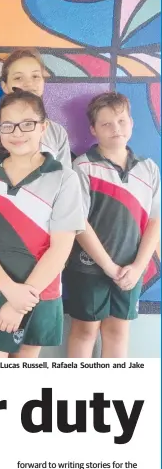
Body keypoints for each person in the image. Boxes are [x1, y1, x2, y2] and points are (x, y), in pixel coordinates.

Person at [0, 90, 85, 358]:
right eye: (8, 126)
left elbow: (61, 249)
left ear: (43, 127)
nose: (17, 133)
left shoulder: (64, 179)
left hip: (37, 292)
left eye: (27, 124)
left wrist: (19, 302)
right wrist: (8, 291)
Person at [65, 92, 161, 358]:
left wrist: (138, 266)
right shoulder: (83, 167)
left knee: (118, 332)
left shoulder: (148, 168)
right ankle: (77, 397)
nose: (115, 128)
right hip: (89, 268)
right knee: (85, 332)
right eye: (106, 124)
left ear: (131, 122)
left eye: (121, 121)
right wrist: (108, 266)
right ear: (93, 129)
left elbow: (155, 221)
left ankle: (111, 395)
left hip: (131, 270)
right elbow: (78, 222)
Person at [0, 48, 72, 172]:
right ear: (4, 86)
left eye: (35, 76)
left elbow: (64, 180)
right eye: (18, 78)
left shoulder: (57, 133)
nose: (28, 84)